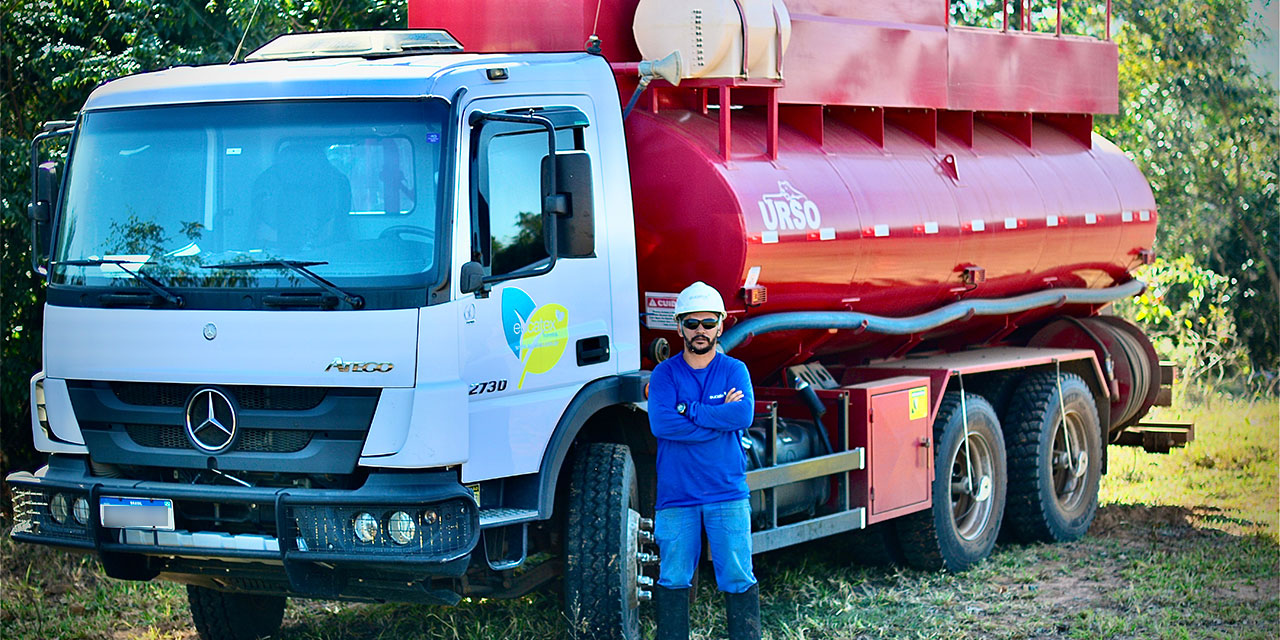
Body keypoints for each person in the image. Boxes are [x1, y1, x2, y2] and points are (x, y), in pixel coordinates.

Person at [648, 281, 761, 640]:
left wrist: (691, 410)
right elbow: (661, 423)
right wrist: (716, 416)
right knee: (672, 579)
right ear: (679, 326)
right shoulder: (665, 374)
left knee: (739, 578)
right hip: (676, 497)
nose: (701, 331)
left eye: (708, 323)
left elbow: (742, 415)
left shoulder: (734, 370)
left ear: (721, 325)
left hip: (726, 494)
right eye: (692, 323)